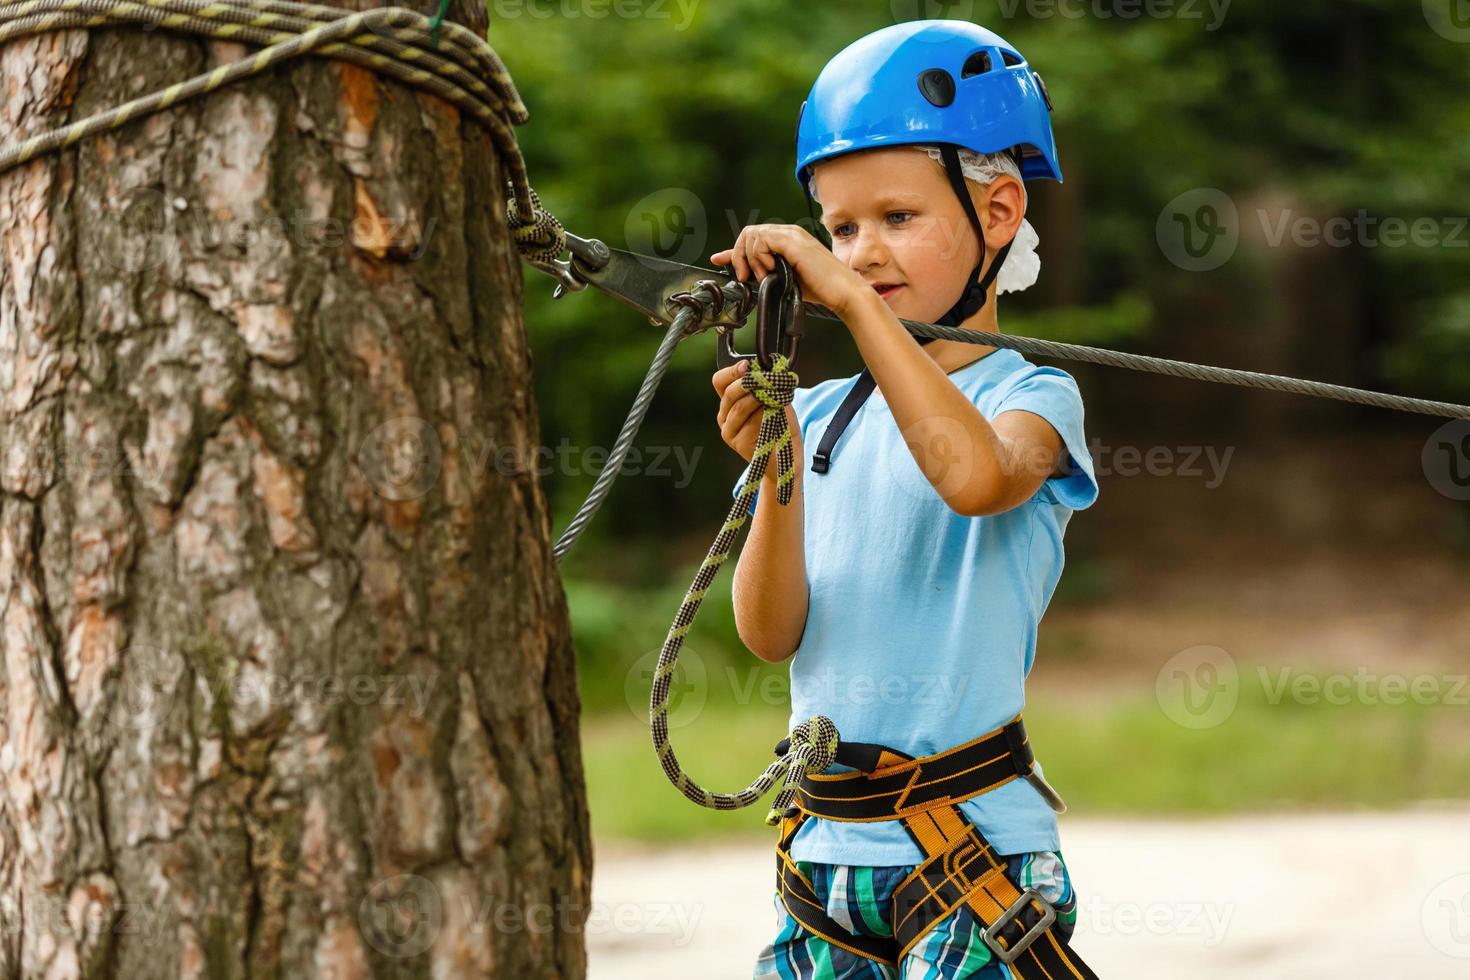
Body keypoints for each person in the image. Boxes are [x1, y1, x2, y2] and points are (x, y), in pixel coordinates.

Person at [710, 20, 1101, 979]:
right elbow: (770, 631)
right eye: (841, 229)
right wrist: (779, 462)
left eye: (897, 217)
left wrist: (844, 296)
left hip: (974, 860)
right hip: (824, 863)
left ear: (1000, 212)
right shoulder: (817, 413)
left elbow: (972, 479)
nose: (863, 251)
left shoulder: (1032, 399)